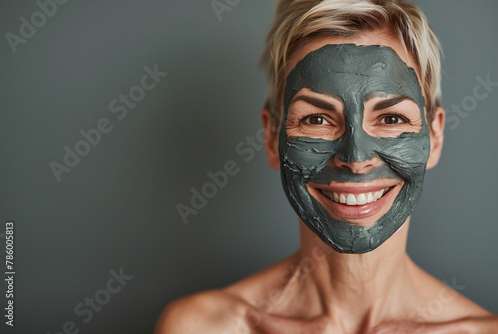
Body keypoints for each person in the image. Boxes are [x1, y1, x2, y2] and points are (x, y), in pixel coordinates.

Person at [155, 1, 498, 332]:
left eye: (391, 118)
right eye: (317, 119)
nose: (355, 158)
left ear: (435, 136)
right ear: (272, 136)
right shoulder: (203, 328)